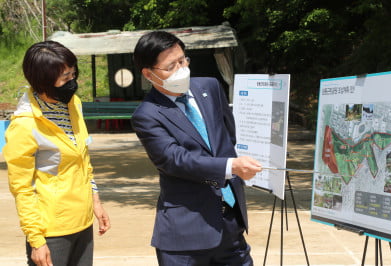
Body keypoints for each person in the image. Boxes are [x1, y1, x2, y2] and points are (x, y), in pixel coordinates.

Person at [131, 31, 262, 265]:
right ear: (149, 73)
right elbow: (174, 160)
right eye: (171, 66)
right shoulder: (147, 115)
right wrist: (230, 166)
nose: (181, 69)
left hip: (231, 223)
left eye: (183, 60)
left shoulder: (209, 87)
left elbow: (227, 136)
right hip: (185, 234)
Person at [3, 41, 111, 266]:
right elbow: (22, 188)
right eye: (65, 78)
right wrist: (36, 240)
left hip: (82, 223)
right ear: (43, 82)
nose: (72, 82)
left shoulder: (73, 105)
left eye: (73, 74)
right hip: (52, 232)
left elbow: (83, 161)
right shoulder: (25, 125)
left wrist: (96, 203)